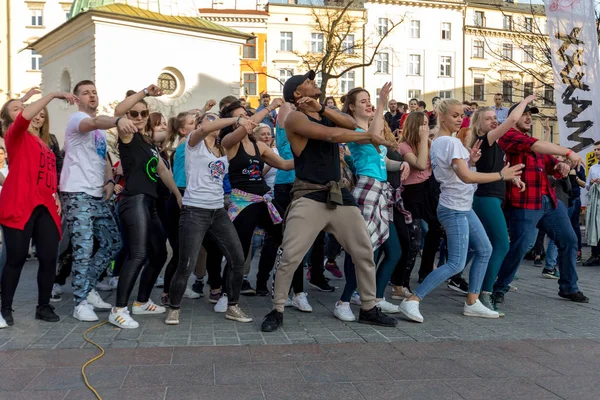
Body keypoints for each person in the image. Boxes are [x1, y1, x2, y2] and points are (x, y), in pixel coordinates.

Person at [260, 70, 398, 332]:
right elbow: (332, 136)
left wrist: (322, 107)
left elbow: (347, 123)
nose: (314, 83)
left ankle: (368, 307)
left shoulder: (323, 112)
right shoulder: (294, 118)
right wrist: (369, 136)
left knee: (363, 251)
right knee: (290, 255)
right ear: (297, 94)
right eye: (308, 82)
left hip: (338, 193)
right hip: (309, 194)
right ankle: (277, 309)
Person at [399, 99, 524, 323]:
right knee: (456, 262)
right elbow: (465, 177)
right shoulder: (451, 142)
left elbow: (460, 173)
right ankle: (412, 300)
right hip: (454, 207)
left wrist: (472, 161)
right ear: (442, 116)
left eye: (461, 115)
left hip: (461, 205)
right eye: (455, 115)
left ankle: (472, 302)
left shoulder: (441, 141)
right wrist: (501, 175)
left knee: (485, 249)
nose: (459, 119)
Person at [165, 111, 257, 325]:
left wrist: (269, 108)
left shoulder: (223, 146)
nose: (214, 122)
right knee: (185, 264)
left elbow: (248, 125)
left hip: (218, 211)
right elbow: (205, 129)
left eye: (217, 118)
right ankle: (174, 308)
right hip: (194, 210)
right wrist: (236, 119)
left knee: (237, 258)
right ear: (199, 124)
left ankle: (232, 306)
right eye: (210, 118)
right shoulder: (193, 142)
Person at [492, 103, 588, 304]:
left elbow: (551, 164)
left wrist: (561, 165)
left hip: (548, 201)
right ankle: (498, 287)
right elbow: (536, 146)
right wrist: (568, 152)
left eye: (530, 115)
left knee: (569, 240)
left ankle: (569, 287)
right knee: (520, 246)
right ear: (513, 118)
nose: (528, 118)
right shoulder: (507, 136)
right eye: (524, 114)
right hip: (524, 200)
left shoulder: (531, 141)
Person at [0, 91, 77, 327]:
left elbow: (48, 175)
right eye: (17, 108)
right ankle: (4, 309)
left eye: (41, 113)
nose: (35, 113)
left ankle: (43, 306)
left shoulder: (44, 143)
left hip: (46, 207)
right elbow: (25, 116)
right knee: (16, 258)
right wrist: (52, 94)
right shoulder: (15, 135)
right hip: (19, 204)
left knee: (48, 258)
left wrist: (55, 195)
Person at [108, 86, 183, 329]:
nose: (139, 118)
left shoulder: (148, 142)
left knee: (159, 253)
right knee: (138, 254)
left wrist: (177, 196)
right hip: (134, 200)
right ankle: (118, 309)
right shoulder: (127, 135)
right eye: (134, 114)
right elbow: (119, 110)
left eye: (143, 114)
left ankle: (141, 302)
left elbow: (162, 170)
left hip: (149, 203)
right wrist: (143, 93)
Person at [334, 83, 408, 321]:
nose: (369, 103)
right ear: (352, 107)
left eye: (370, 100)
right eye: (363, 101)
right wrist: (381, 103)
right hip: (366, 189)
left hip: (382, 190)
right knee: (363, 250)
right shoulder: (354, 129)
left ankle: (373, 297)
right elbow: (373, 139)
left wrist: (402, 165)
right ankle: (344, 300)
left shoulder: (370, 126)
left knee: (393, 251)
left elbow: (383, 161)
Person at [60, 80, 126, 322]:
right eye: (86, 93)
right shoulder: (77, 120)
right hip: (76, 192)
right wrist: (118, 120)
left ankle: (87, 288)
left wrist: (109, 181)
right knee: (84, 248)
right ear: (77, 99)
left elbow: (103, 158)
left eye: (94, 92)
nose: (92, 96)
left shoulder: (98, 133)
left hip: (97, 194)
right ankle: (80, 302)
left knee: (112, 242)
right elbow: (96, 121)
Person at [469, 95, 536, 312]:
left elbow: (496, 171)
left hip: (492, 198)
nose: (493, 121)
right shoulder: (485, 139)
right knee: (502, 245)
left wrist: (512, 178)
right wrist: (524, 102)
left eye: (493, 118)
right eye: (488, 119)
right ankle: (485, 293)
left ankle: (475, 292)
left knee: (484, 248)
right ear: (480, 124)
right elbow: (509, 122)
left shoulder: (494, 145)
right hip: (486, 198)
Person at [584, 142, 600, 266]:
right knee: (594, 226)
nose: (596, 152)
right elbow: (587, 186)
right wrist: (593, 183)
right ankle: (595, 255)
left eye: (599, 149)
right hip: (596, 203)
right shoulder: (593, 167)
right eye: (595, 149)